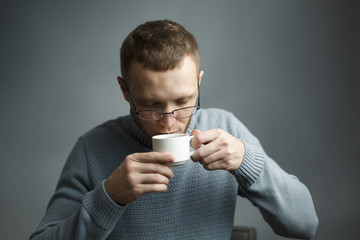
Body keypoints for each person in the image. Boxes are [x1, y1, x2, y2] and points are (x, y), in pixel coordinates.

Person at [30, 20, 318, 239]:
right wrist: (109, 197)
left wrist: (248, 162)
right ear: (125, 90)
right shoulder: (91, 148)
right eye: (150, 104)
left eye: (183, 102)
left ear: (198, 83)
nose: (168, 123)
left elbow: (305, 225)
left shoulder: (226, 128)